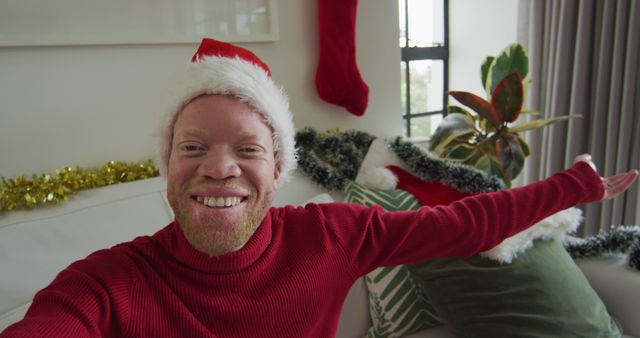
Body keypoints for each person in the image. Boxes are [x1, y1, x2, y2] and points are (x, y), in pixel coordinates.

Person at [1, 38, 637, 338]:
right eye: (192, 147)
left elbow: (462, 225)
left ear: (279, 171)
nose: (218, 168)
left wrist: (567, 186)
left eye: (247, 149)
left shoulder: (334, 234)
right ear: (167, 165)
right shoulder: (114, 284)